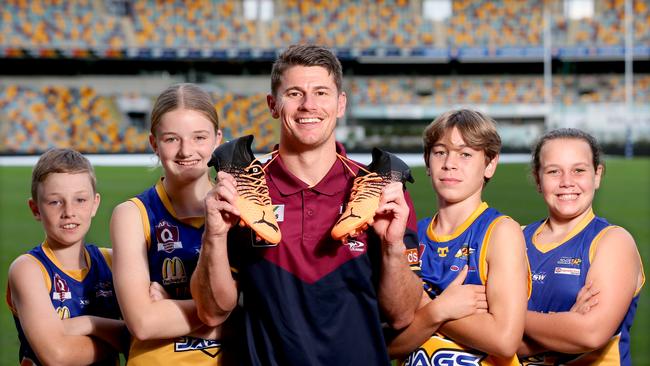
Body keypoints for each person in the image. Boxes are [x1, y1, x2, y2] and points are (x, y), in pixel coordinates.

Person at [190, 44, 423, 366]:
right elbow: (212, 311)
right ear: (273, 104)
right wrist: (214, 237)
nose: (308, 105)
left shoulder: (379, 188)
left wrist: (392, 246)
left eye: (322, 93)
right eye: (295, 93)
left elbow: (401, 316)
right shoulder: (241, 189)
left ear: (340, 104)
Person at [388, 109, 530, 365]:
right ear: (427, 161)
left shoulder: (500, 232)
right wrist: (439, 309)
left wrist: (421, 304)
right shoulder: (409, 235)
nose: (449, 163)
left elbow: (504, 340)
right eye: (440, 152)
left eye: (465, 154)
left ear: (490, 164)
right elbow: (388, 346)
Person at [110, 83, 228, 365]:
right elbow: (143, 324)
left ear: (217, 140)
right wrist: (220, 318)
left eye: (199, 137)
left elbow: (268, 318)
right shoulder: (132, 215)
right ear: (154, 143)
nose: (186, 150)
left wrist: (168, 310)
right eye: (172, 139)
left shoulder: (239, 208)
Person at [518, 128, 644, 365]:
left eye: (579, 170)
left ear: (597, 175)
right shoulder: (515, 238)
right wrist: (566, 323)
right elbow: (490, 339)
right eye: (554, 171)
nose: (567, 182)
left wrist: (510, 320)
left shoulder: (612, 242)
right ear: (538, 179)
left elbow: (590, 333)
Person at [6, 148, 125, 365]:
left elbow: (150, 329)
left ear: (95, 204)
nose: (69, 211)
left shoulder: (113, 260)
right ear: (35, 209)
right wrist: (123, 338)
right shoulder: (28, 269)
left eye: (80, 200)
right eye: (55, 202)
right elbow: (57, 355)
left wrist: (89, 324)